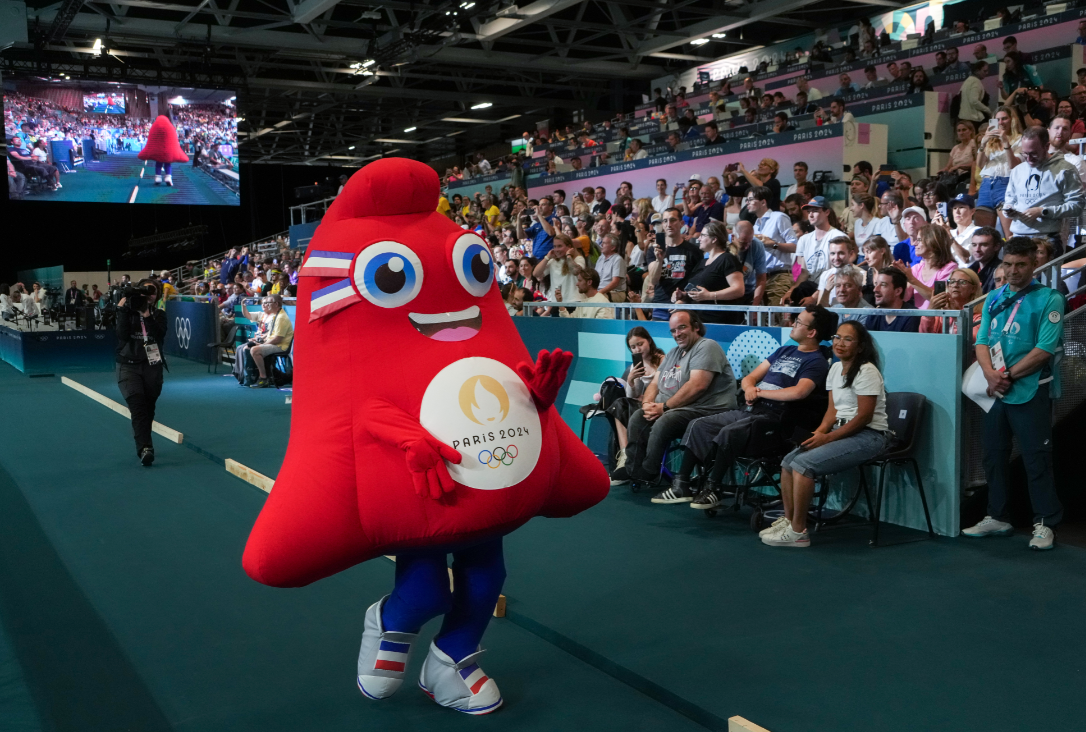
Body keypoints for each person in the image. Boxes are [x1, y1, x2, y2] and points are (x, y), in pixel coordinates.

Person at [664, 306, 836, 509]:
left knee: (730, 432)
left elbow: (799, 392)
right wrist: (748, 389)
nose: (792, 324)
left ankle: (714, 488)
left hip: (777, 418)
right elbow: (750, 377)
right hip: (751, 410)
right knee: (699, 425)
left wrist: (760, 393)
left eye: (798, 322)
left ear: (811, 332)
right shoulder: (784, 350)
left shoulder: (817, 361)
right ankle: (681, 484)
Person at [965, 236, 1065, 550]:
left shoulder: (1050, 298)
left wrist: (1004, 376)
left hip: (1031, 391)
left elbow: (1044, 350)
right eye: (1008, 264)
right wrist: (990, 376)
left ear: (1034, 264)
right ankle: (998, 516)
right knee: (993, 456)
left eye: (1020, 265)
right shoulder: (993, 297)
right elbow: (981, 342)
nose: (1013, 271)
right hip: (996, 392)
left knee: (1036, 459)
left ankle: (1045, 523)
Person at [763, 320, 890, 548]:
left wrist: (828, 438)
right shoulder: (834, 368)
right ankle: (790, 521)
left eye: (848, 339)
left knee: (804, 465)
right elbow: (832, 411)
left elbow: (864, 417)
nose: (840, 343)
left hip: (869, 436)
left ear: (860, 346)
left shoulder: (867, 370)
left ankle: (799, 532)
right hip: (841, 432)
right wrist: (818, 435)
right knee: (788, 462)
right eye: (837, 337)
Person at [612, 310, 737, 486]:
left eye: (682, 328)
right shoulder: (673, 353)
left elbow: (697, 386)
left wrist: (664, 407)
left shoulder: (707, 346)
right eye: (673, 331)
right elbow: (655, 384)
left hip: (707, 409)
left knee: (666, 420)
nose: (677, 334)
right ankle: (633, 468)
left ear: (696, 327)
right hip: (677, 408)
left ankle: (649, 470)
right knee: (639, 416)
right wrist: (648, 404)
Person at [1002, 126, 1084, 256]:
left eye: (1033, 153)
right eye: (1025, 153)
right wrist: (1008, 210)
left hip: (1046, 238)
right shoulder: (1018, 170)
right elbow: (1010, 200)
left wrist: (1043, 211)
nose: (1028, 158)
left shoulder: (1065, 169)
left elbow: (1077, 206)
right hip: (1018, 235)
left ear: (1046, 146)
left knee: (1045, 277)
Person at [115, 282, 168, 466]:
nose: (148, 295)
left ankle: (146, 442)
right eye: (145, 291)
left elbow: (159, 335)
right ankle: (145, 448)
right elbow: (122, 336)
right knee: (137, 406)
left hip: (152, 365)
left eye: (152, 292)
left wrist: (147, 316)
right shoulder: (128, 313)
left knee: (148, 408)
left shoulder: (159, 315)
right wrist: (121, 311)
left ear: (158, 296)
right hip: (128, 365)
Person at [609, 328, 667, 482]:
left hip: (660, 404)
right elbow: (631, 396)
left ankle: (629, 459)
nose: (637, 349)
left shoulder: (663, 360)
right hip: (641, 405)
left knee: (621, 406)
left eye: (640, 344)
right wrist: (632, 380)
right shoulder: (636, 366)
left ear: (649, 341)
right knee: (619, 404)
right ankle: (625, 455)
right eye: (633, 347)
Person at [672, 220, 745, 324]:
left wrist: (710, 295)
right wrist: (684, 295)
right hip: (699, 321)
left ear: (714, 239)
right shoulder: (702, 262)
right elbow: (699, 292)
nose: (698, 238)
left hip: (719, 322)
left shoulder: (727, 259)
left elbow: (739, 290)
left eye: (702, 235)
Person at [649, 207, 704, 320]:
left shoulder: (694, 251)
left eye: (673, 220)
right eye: (665, 221)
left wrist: (685, 299)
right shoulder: (653, 250)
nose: (669, 224)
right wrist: (659, 260)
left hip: (683, 305)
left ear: (681, 223)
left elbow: (698, 282)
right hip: (660, 304)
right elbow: (654, 280)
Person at [975, 106, 1022, 236]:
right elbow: (980, 164)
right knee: (982, 235)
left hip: (1005, 184)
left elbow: (1014, 165)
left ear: (1012, 120)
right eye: (998, 120)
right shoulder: (991, 141)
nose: (1001, 122)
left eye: (1004, 118)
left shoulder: (1020, 139)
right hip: (986, 184)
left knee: (1010, 234)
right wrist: (983, 144)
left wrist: (1006, 142)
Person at [894, 224, 957, 310]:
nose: (914, 244)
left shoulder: (950, 268)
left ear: (932, 242)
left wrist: (911, 279)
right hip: (921, 320)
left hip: (940, 320)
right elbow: (905, 297)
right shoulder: (916, 268)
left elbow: (940, 300)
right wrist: (897, 277)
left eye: (919, 240)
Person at [238, 295, 294, 389]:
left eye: (268, 303)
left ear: (276, 304)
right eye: (265, 303)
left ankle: (263, 378)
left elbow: (277, 339)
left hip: (280, 346)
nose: (265, 305)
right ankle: (251, 376)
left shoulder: (281, 318)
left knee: (255, 350)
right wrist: (260, 341)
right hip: (273, 342)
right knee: (247, 347)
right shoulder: (275, 315)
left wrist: (262, 344)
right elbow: (270, 335)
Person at [794, 196, 847, 289]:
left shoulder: (839, 237)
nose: (810, 215)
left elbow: (837, 272)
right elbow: (803, 272)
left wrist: (815, 296)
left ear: (827, 212)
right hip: (808, 288)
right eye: (809, 211)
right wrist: (791, 291)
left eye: (815, 211)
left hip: (831, 288)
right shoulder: (803, 239)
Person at [920, 267, 983, 337]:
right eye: (952, 281)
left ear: (973, 289)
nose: (955, 285)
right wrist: (929, 313)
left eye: (962, 282)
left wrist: (956, 317)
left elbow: (973, 339)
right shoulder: (941, 314)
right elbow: (925, 335)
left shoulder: (979, 317)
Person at [533, 233, 586, 312]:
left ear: (569, 247)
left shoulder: (578, 258)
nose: (556, 249)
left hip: (574, 302)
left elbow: (576, 271)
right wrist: (547, 257)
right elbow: (536, 273)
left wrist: (568, 256)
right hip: (556, 302)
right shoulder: (553, 261)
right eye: (554, 246)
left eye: (560, 246)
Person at [865, 267, 920, 332]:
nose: (875, 289)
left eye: (883, 285)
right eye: (876, 284)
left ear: (898, 291)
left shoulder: (911, 316)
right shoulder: (873, 316)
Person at [815, 237, 858, 306]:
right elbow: (820, 307)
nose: (836, 258)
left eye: (841, 253)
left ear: (851, 253)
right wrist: (827, 290)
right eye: (832, 253)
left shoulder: (861, 274)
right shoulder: (825, 275)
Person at [944, 193, 978, 266]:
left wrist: (949, 235)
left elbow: (966, 259)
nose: (957, 211)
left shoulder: (978, 231)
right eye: (954, 208)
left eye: (961, 207)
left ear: (972, 211)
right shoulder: (950, 232)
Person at [967, 226, 1003, 293]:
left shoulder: (1002, 271)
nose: (977, 250)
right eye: (974, 245)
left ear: (996, 246)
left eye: (983, 245)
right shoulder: (969, 271)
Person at [593, 234, 627, 302]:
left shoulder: (618, 259)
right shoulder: (600, 258)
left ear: (613, 247)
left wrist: (599, 293)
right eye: (602, 242)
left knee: (598, 299)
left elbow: (615, 282)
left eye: (604, 243)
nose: (601, 245)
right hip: (600, 291)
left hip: (615, 292)